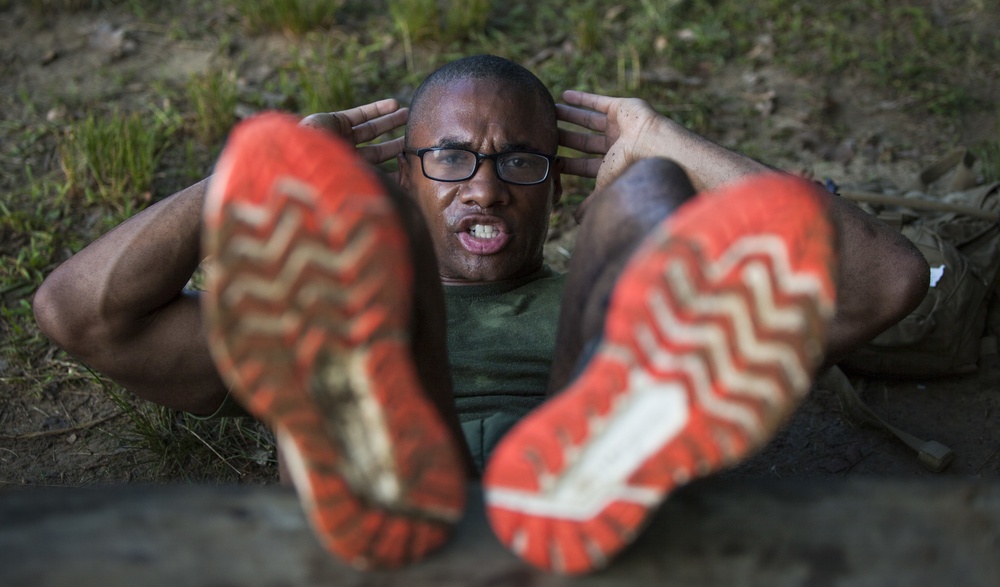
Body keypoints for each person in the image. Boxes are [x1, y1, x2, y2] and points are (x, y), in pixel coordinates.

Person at [32, 55, 929, 575]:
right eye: (453, 159)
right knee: (370, 241)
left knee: (647, 202)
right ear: (410, 168)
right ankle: (374, 444)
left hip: (596, 526)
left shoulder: (590, 293)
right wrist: (253, 179)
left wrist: (662, 147)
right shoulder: (317, 306)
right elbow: (79, 313)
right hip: (396, 515)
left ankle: (606, 436)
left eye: (521, 163)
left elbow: (886, 282)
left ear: (559, 185)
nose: (488, 189)